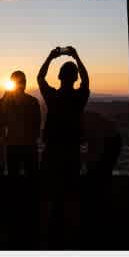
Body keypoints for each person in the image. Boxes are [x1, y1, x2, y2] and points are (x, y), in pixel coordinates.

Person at [37, 46, 90, 178]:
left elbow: (40, 78)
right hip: (72, 150)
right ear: (76, 78)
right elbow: (86, 81)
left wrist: (50, 58)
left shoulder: (52, 97)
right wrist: (76, 57)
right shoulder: (78, 98)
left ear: (59, 75)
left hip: (52, 149)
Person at [0, 71, 41, 177]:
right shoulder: (33, 102)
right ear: (25, 83)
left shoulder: (7, 102)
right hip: (30, 146)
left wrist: (5, 95)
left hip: (13, 146)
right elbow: (37, 127)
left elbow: (0, 118)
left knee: (13, 176)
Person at [81, 111, 121, 178]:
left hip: (110, 139)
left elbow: (96, 151)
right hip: (110, 138)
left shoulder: (91, 125)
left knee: (100, 169)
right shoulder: (87, 122)